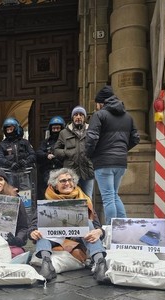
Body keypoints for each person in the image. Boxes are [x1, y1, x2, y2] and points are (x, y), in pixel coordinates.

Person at [28, 168, 108, 282]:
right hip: (54, 241)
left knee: (89, 223)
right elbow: (33, 226)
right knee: (42, 227)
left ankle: (100, 264)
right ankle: (47, 264)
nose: (67, 183)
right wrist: (32, 232)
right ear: (55, 185)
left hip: (79, 240)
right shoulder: (47, 202)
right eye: (63, 181)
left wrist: (99, 232)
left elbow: (97, 226)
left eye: (70, 180)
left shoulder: (84, 200)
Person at [85, 85, 140, 225]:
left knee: (108, 197)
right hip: (120, 162)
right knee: (114, 195)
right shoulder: (128, 116)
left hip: (103, 161)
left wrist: (89, 154)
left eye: (97, 103)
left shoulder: (99, 115)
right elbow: (136, 138)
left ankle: (111, 230)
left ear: (101, 102)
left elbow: (91, 137)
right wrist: (121, 150)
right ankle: (123, 229)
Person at [53, 106, 94, 199]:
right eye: (76, 115)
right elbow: (56, 150)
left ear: (85, 118)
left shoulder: (91, 131)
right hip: (70, 173)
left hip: (87, 170)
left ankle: (88, 214)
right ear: (72, 117)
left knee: (88, 198)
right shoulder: (64, 133)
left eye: (81, 115)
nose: (78, 117)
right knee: (72, 199)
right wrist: (67, 152)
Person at [36, 116, 65, 199]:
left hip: (61, 171)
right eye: (54, 128)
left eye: (58, 128)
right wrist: (47, 155)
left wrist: (58, 157)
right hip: (47, 173)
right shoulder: (46, 142)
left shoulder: (65, 142)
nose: (55, 130)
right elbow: (38, 153)